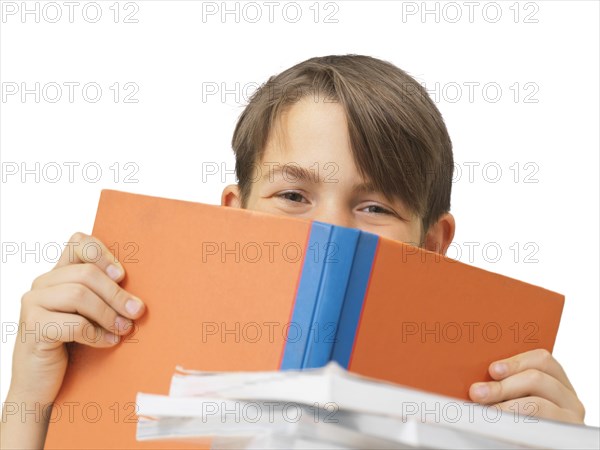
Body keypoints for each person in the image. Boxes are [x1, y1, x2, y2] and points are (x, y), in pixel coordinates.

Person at [0, 54, 585, 448]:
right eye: (292, 194)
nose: (327, 232)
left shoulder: (490, 407)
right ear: (230, 216)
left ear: (432, 245)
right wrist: (28, 398)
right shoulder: (124, 335)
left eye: (375, 206)